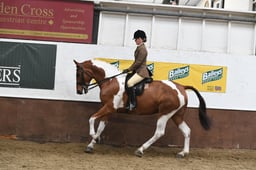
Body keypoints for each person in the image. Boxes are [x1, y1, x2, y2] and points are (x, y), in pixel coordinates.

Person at [122, 30, 151, 111]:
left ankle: (133, 103)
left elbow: (138, 63)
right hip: (137, 70)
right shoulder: (139, 48)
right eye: (135, 39)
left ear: (140, 39)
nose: (135, 41)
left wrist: (128, 69)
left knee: (130, 83)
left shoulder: (143, 49)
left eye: (136, 39)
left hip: (141, 72)